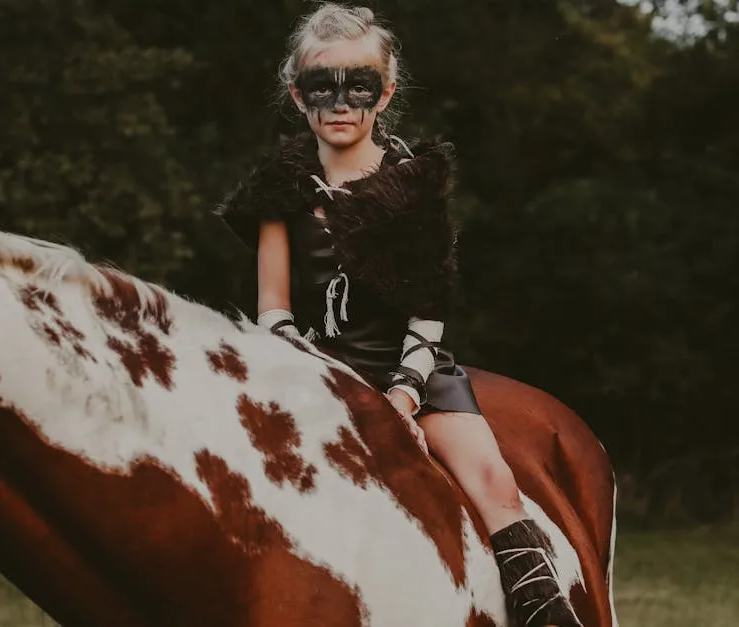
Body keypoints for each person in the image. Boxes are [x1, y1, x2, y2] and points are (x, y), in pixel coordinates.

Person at [215, 4, 582, 627]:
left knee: (494, 483)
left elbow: (428, 307)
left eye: (357, 86)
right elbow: (271, 310)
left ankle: (546, 614)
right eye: (319, 87)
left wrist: (404, 398)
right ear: (295, 93)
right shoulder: (279, 188)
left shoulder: (415, 186)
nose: (338, 104)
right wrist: (308, 370)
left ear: (384, 93)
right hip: (311, 367)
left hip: (410, 371)